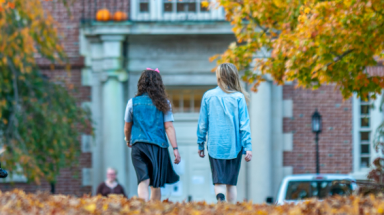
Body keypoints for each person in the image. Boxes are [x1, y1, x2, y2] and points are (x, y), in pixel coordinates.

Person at [197, 63, 252, 203]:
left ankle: (220, 202)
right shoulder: (239, 97)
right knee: (231, 183)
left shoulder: (208, 96)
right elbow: (244, 125)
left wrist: (200, 143)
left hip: (215, 145)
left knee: (219, 182)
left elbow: (202, 123)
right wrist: (248, 147)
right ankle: (230, 210)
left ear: (219, 77)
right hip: (234, 146)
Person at [124, 68, 181, 201]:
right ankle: (154, 211)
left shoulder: (132, 102)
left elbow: (127, 127)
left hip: (138, 146)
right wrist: (175, 149)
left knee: (143, 179)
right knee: (156, 184)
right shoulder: (164, 103)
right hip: (158, 147)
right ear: (159, 84)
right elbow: (169, 127)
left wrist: (128, 140)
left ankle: (143, 210)